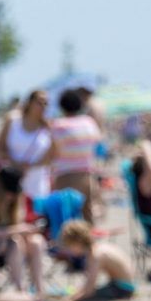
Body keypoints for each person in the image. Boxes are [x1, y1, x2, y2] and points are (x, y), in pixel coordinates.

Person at [0, 168, 48, 296]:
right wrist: (19, 230)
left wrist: (26, 230)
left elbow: (16, 224)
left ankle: (40, 290)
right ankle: (20, 290)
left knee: (36, 241)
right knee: (15, 241)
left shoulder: (14, 201)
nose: (11, 196)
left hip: (8, 241)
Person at [0, 89, 55, 221]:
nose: (43, 106)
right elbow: (1, 148)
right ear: (29, 102)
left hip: (37, 181)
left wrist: (31, 166)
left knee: (37, 218)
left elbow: (52, 155)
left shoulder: (47, 127)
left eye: (46, 103)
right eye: (39, 102)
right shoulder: (12, 120)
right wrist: (16, 164)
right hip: (11, 178)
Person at [50, 90, 101, 223]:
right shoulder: (88, 122)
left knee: (66, 218)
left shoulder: (58, 125)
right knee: (87, 215)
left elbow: (52, 150)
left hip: (64, 176)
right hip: (86, 176)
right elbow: (96, 142)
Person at [58, 220, 135, 301]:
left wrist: (70, 300)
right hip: (124, 284)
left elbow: (89, 290)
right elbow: (87, 284)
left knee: (89, 297)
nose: (69, 250)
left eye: (70, 246)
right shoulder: (98, 248)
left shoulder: (96, 255)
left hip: (123, 289)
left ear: (78, 242)